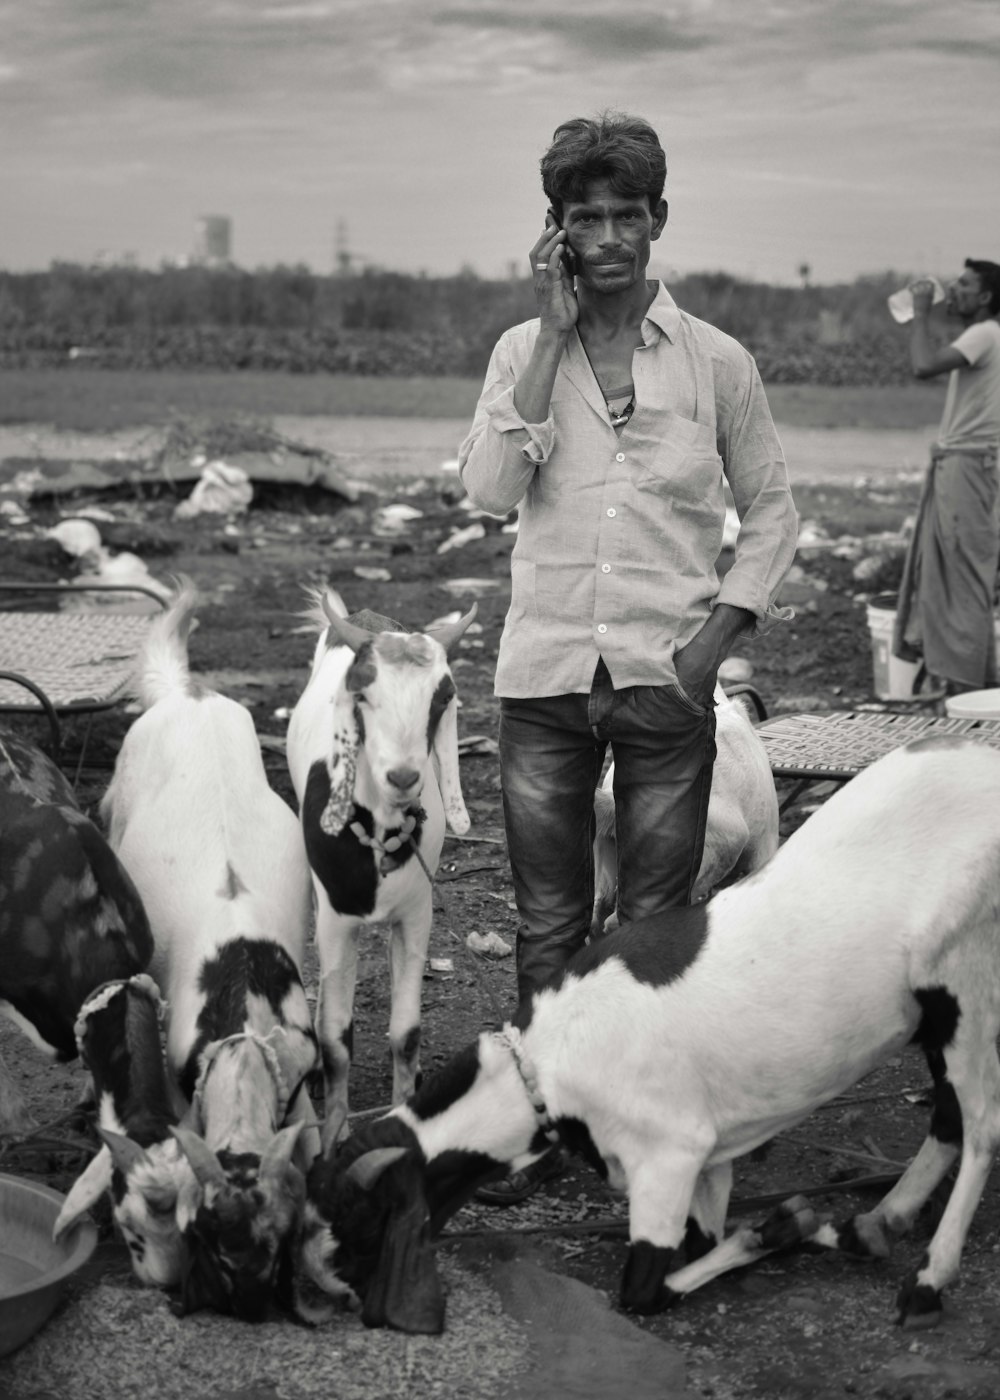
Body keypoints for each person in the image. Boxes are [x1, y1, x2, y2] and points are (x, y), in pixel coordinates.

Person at [458, 112, 798, 1201]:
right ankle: (544, 1125)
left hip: (667, 681)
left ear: (658, 220)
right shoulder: (523, 352)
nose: (606, 236)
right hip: (544, 677)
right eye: (582, 217)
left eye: (624, 214)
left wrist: (714, 643)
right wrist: (552, 335)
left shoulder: (715, 363)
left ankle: (638, 1123)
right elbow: (487, 492)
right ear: (554, 230)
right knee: (548, 921)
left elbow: (776, 510)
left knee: (654, 929)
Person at [892, 260, 1000, 695]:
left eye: (966, 284)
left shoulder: (985, 333)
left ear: (986, 297)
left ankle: (966, 688)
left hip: (968, 467)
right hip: (972, 465)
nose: (954, 289)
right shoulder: (989, 336)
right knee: (966, 573)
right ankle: (974, 681)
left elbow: (923, 365)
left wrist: (920, 312)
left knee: (962, 576)